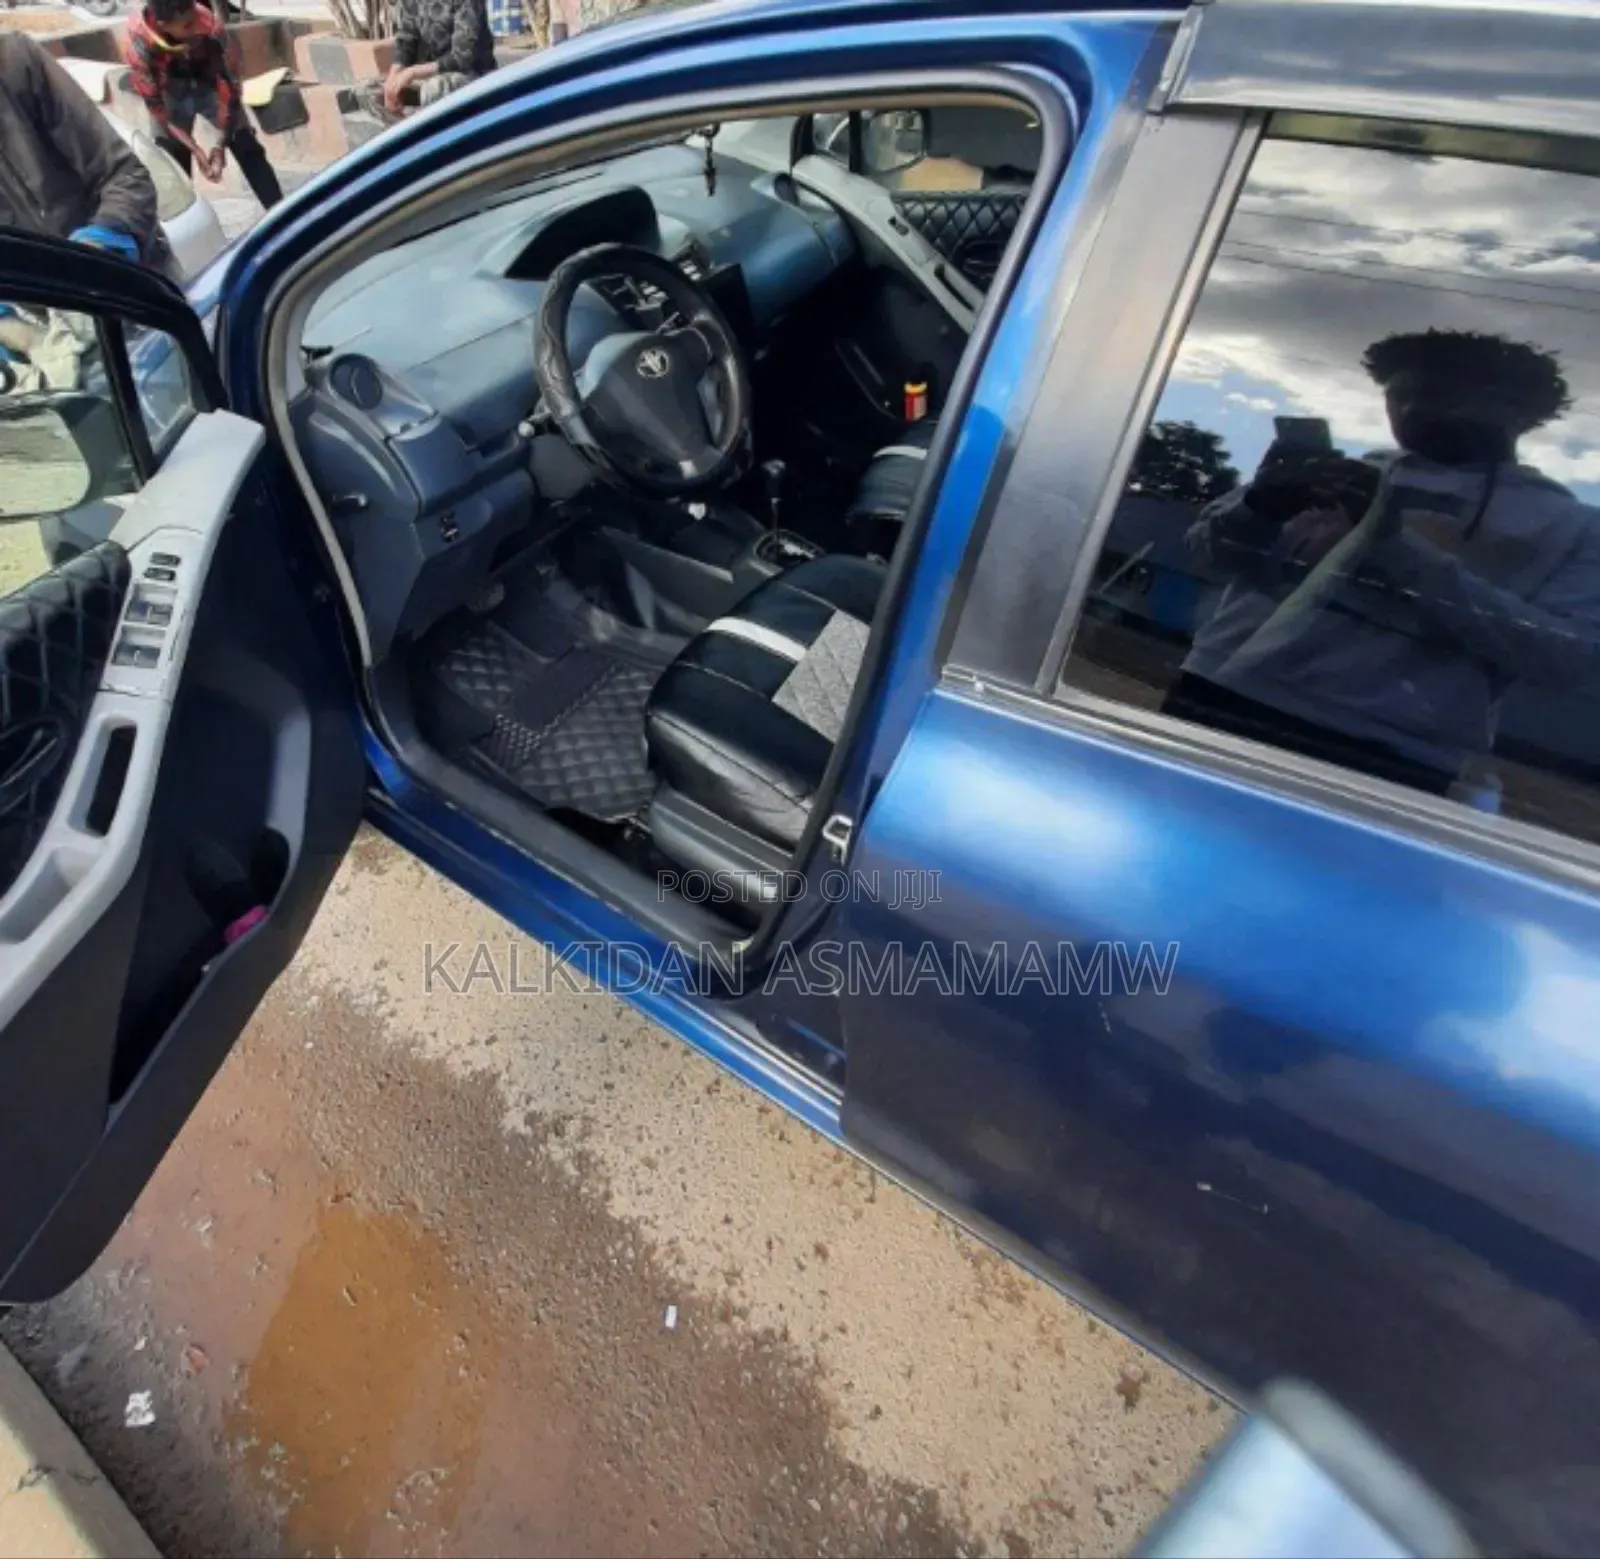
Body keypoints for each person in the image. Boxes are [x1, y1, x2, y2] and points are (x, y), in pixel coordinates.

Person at [1171, 330, 1600, 798]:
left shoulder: (1573, 526)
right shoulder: (1337, 472)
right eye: (1400, 395)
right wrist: (1258, 507)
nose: (1413, 410)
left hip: (1385, 746)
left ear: (1516, 410)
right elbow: (1203, 554)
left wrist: (1392, 545)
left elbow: (1569, 659)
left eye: (1440, 395)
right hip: (1219, 692)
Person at [0, 32, 162, 266]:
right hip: (35, 295)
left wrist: (104, 238)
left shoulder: (14, 61)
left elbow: (125, 175)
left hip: (126, 280)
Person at [123, 0, 282, 211]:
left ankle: (280, 212)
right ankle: (185, 230)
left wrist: (219, 144)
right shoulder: (138, 44)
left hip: (209, 82)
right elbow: (158, 109)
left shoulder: (210, 25)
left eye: (195, 18)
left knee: (245, 143)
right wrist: (195, 149)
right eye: (187, 25)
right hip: (169, 90)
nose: (197, 27)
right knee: (172, 163)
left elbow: (231, 90)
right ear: (163, 25)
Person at [356, 0, 495, 121]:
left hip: (473, 75)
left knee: (435, 88)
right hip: (428, 75)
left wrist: (412, 72)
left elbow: (462, 57)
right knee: (371, 92)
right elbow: (406, 39)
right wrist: (392, 80)